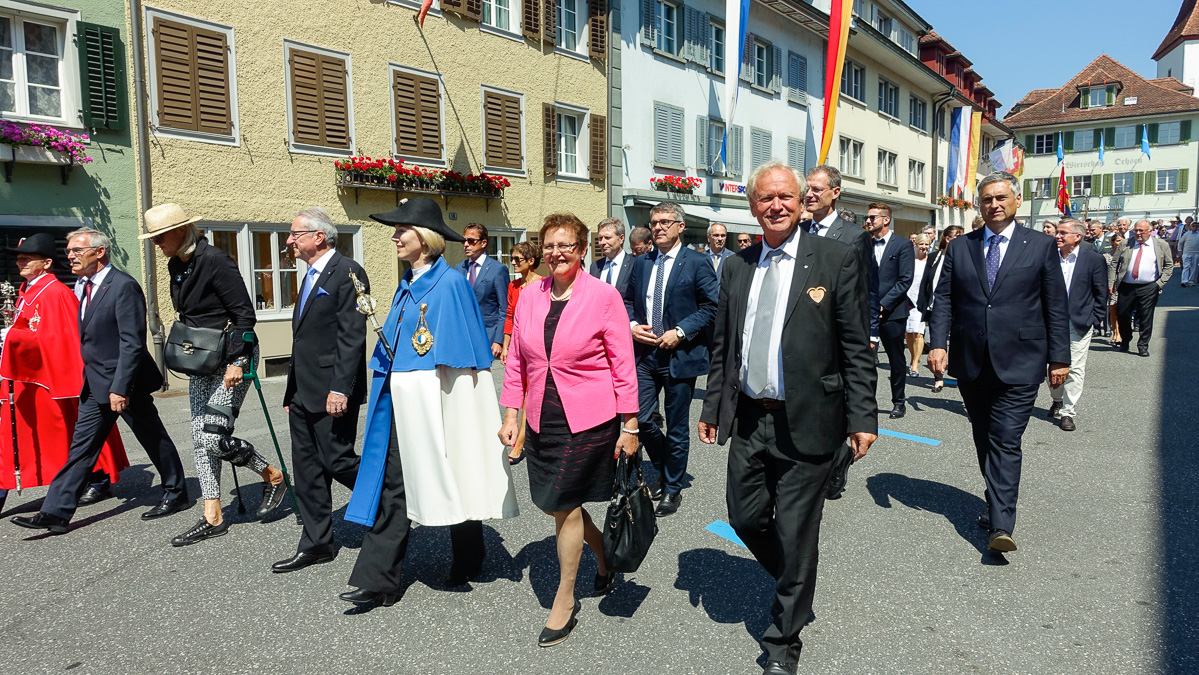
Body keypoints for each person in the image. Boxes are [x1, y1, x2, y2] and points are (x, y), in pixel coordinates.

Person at [698, 160, 877, 675]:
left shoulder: (836, 259)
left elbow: (855, 347)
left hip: (812, 417)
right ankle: (795, 579)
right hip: (752, 418)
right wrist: (714, 409)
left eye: (786, 197)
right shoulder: (737, 265)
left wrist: (863, 415)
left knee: (798, 531)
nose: (775, 206)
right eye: (764, 198)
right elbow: (724, 348)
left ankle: (783, 643)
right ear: (752, 206)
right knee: (744, 516)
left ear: (803, 203)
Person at [341, 197, 517, 609]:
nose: (395, 236)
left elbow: (464, 355)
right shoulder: (406, 283)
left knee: (456, 470)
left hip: (440, 401)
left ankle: (470, 556)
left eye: (403, 230)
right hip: (401, 406)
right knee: (393, 486)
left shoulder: (452, 283)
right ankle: (378, 579)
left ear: (426, 238)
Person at [499, 213, 639, 647]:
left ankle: (565, 600)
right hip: (543, 416)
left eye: (566, 245)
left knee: (564, 504)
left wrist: (629, 424)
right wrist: (510, 416)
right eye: (548, 245)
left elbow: (623, 363)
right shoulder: (530, 295)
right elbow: (519, 362)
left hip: (588, 419)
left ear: (582, 251)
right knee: (557, 505)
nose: (556, 253)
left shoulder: (603, 296)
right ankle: (602, 559)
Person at [11, 227, 191, 535]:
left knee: (151, 436)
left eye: (77, 251)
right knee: (81, 448)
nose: (70, 256)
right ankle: (55, 512)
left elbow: (131, 342)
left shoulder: (122, 286)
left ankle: (176, 492)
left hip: (124, 382)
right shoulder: (81, 286)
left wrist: (120, 387)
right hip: (94, 382)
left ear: (99, 252)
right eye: (68, 251)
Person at [929, 171, 1070, 554]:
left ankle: (1001, 525)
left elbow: (1055, 305)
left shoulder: (1039, 246)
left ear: (1016, 201)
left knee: (1006, 439)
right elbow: (944, 299)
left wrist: (1059, 357)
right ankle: (996, 504)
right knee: (983, 435)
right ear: (979, 204)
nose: (994, 204)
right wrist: (936, 344)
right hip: (972, 360)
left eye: (1001, 197)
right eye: (987, 199)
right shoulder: (961, 248)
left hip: (1022, 360)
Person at [142, 205, 289, 546]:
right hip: (201, 358)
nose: (156, 244)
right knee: (199, 436)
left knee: (213, 436)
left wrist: (238, 360)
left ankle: (272, 475)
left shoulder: (215, 260)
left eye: (160, 237)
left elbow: (243, 314)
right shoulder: (176, 264)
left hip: (232, 357)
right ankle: (213, 516)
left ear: (181, 232)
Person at [0, 234, 127, 514]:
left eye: (27, 258)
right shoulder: (27, 289)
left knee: (70, 433)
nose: (20, 262)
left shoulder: (55, 292)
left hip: (51, 379)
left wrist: (14, 339)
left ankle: (98, 476)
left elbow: (59, 339)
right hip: (30, 376)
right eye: (19, 258)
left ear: (46, 263)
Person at [272, 208, 369, 573]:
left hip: (332, 391)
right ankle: (316, 544)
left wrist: (340, 388)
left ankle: (391, 502)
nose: (289, 241)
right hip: (303, 392)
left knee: (338, 460)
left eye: (295, 234)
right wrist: (292, 392)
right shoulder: (311, 274)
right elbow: (306, 338)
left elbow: (351, 336)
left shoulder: (347, 271)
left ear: (318, 236)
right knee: (308, 470)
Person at [623, 201, 719, 517]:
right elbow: (625, 301)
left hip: (680, 356)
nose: (659, 227)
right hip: (646, 355)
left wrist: (680, 331)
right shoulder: (642, 263)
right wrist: (634, 326)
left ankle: (673, 488)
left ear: (680, 226)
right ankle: (666, 467)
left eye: (665, 221)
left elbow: (711, 307)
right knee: (643, 417)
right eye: (654, 222)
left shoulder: (697, 262)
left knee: (677, 427)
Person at [1047, 220, 1108, 432]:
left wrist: (1094, 318)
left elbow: (1101, 293)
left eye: (1063, 233)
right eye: (1057, 232)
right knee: (1051, 366)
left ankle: (1067, 412)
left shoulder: (1093, 260)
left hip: (1078, 323)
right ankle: (1057, 399)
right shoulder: (1049, 257)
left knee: (1075, 369)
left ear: (1078, 237)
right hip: (1049, 322)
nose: (1058, 236)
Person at [865, 202, 914, 419]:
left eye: (872, 217)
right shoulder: (863, 243)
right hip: (866, 312)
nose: (867, 221)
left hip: (892, 313)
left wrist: (883, 304)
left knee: (895, 360)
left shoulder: (902, 245)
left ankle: (898, 402)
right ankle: (867, 404)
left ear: (886, 219)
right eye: (867, 217)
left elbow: (905, 280)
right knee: (867, 360)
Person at [501, 241, 544, 465]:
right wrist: (506, 345)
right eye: (513, 258)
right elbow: (509, 316)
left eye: (518, 259)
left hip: (534, 343)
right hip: (517, 344)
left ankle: (520, 442)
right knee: (519, 389)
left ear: (531, 261)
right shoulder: (513, 286)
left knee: (530, 392)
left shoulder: (543, 284)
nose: (514, 263)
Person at [1109, 220, 1173, 357]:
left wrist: (1159, 284)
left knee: (1146, 316)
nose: (1138, 233)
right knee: (1122, 314)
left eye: (1141, 231)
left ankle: (1143, 345)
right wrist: (1111, 283)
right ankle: (1125, 339)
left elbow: (1169, 265)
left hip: (1149, 286)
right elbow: (1114, 263)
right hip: (1126, 286)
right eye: (1136, 230)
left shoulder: (1161, 245)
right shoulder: (1126, 244)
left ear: (1149, 231)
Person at [917, 225, 963, 392]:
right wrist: (921, 301)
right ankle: (939, 377)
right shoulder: (935, 256)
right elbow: (925, 280)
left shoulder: (963, 257)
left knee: (956, 341)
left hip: (954, 307)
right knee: (937, 340)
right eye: (958, 236)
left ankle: (959, 372)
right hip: (933, 304)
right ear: (948, 239)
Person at [804, 165, 871, 275]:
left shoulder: (855, 236)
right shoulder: (799, 230)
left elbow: (861, 283)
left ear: (835, 192)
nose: (808, 195)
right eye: (807, 189)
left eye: (816, 189)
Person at [454, 223, 508, 359]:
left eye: (471, 241)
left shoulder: (497, 269)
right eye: (464, 241)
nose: (466, 244)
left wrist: (498, 340)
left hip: (487, 335)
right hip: (463, 336)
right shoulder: (459, 268)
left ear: (483, 243)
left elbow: (504, 308)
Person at [906, 235, 932, 378]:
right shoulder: (909, 260)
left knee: (919, 333)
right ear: (915, 244)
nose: (924, 247)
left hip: (922, 300)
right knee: (909, 332)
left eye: (927, 244)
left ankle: (915, 363)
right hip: (907, 299)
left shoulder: (931, 262)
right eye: (921, 244)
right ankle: (912, 357)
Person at [589, 217, 633, 296]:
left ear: (621, 238)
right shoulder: (595, 267)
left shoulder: (633, 265)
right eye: (600, 238)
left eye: (607, 238)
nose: (602, 242)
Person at [1179, 220, 1199, 286]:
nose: (1195, 227)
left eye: (1197, 226)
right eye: (1193, 226)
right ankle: (1184, 281)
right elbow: (1180, 243)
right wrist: (1180, 251)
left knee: (1194, 267)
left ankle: (1191, 280)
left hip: (1196, 253)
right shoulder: (1186, 234)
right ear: (1190, 227)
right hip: (1187, 253)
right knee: (1186, 267)